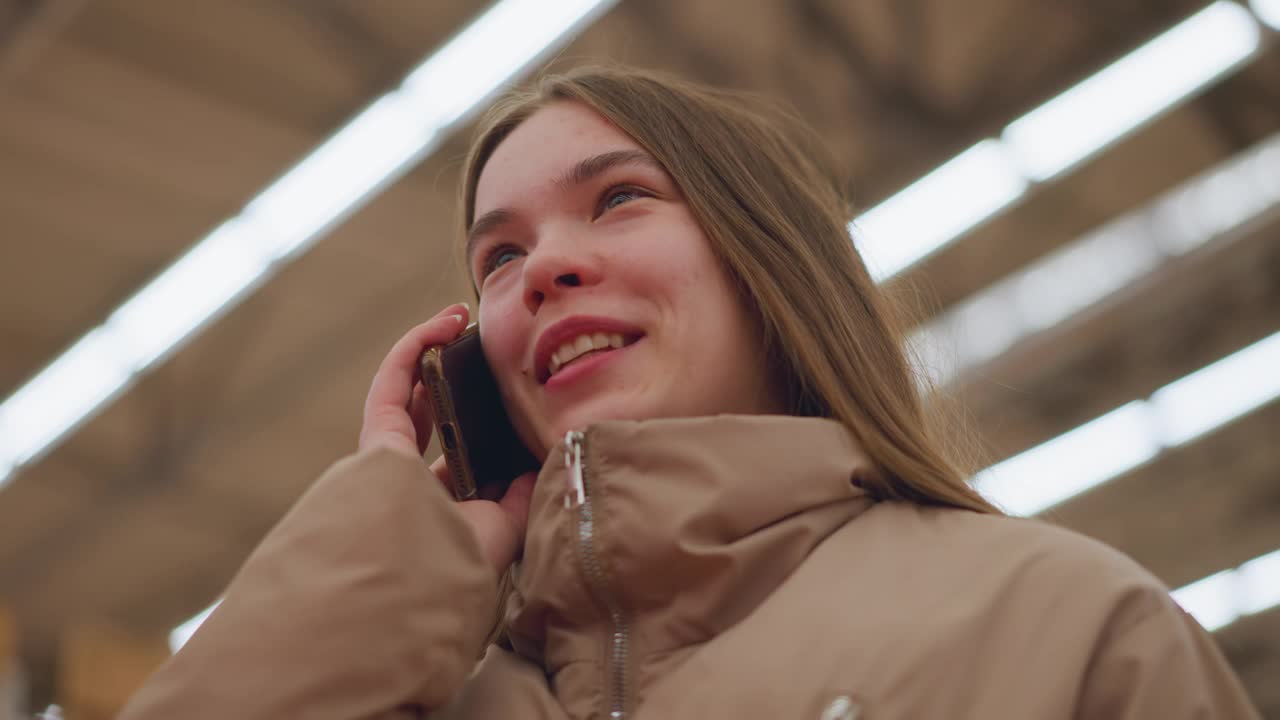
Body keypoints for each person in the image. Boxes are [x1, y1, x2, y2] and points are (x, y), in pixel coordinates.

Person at [119, 66, 1259, 719]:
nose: (545, 269)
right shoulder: (433, 692)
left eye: (617, 200)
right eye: (497, 260)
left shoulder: (1061, 630)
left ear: (772, 267)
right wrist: (380, 540)